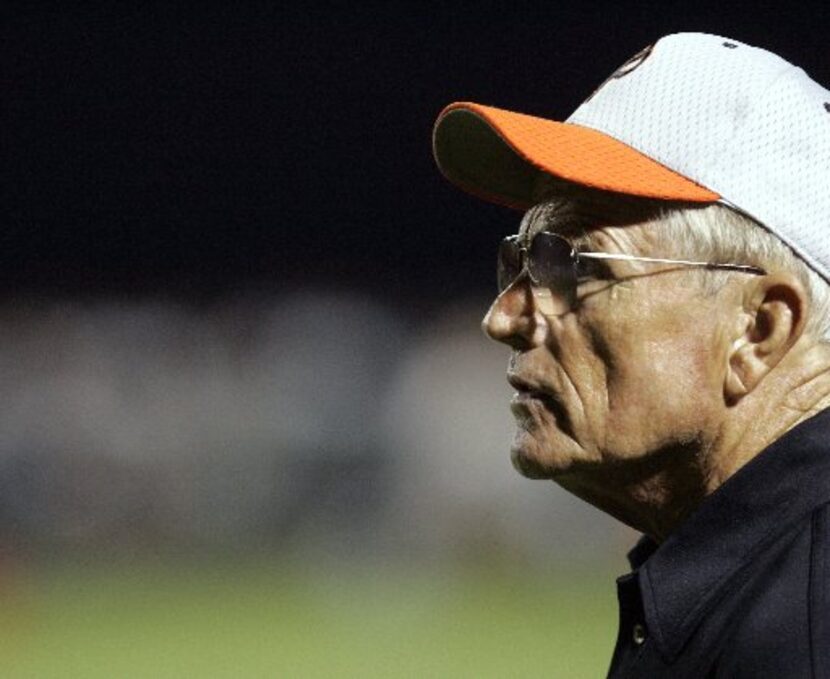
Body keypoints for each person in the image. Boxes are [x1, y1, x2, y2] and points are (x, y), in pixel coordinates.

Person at [432, 33, 830, 677]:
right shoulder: (757, 576)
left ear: (760, 329)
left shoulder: (803, 633)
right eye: (523, 261)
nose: (503, 316)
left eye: (576, 268)